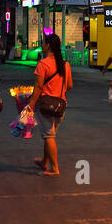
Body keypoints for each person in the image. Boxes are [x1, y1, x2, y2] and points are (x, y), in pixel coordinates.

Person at [26, 32, 72, 176]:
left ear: (48, 46)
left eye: (44, 43)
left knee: (49, 136)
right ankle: (44, 161)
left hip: (46, 105)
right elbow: (69, 85)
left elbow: (38, 87)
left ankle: (54, 168)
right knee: (50, 134)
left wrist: (31, 104)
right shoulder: (65, 64)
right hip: (61, 105)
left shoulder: (43, 64)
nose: (42, 45)